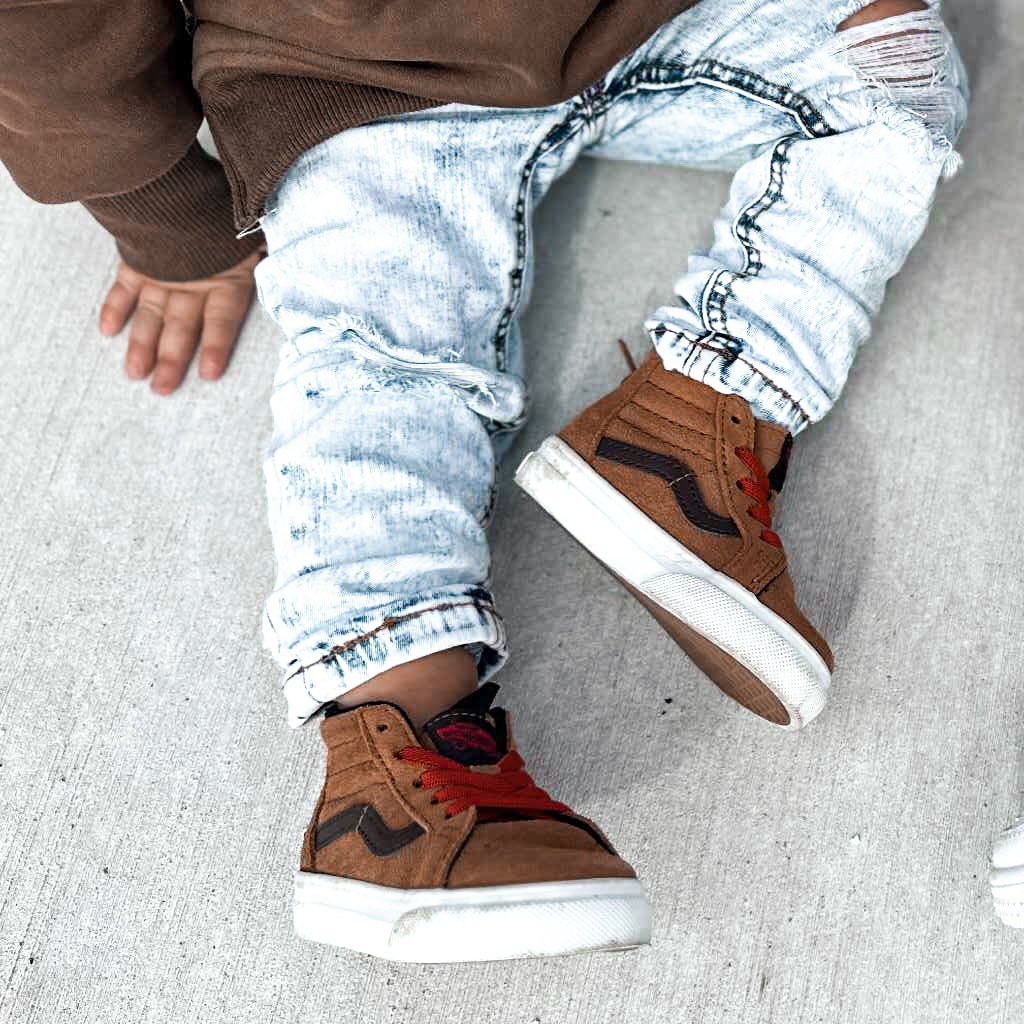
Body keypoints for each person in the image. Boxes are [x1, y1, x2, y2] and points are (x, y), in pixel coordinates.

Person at [0, 0, 968, 962]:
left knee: (891, 68)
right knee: (390, 362)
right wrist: (164, 211)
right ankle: (405, 750)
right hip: (346, 73)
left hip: (642, 16)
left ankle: (687, 430)